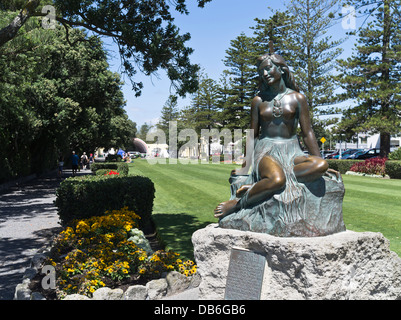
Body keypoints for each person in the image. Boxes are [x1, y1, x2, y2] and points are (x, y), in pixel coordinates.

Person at [214, 52, 337, 220]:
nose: (265, 74)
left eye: (268, 69)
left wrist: (318, 159)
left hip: (293, 152)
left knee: (321, 165)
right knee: (278, 180)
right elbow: (253, 136)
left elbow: (307, 133)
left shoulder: (298, 98)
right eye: (261, 71)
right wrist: (245, 167)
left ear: (281, 69)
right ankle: (237, 204)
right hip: (266, 152)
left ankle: (260, 185)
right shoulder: (258, 101)